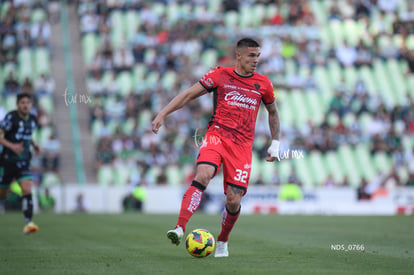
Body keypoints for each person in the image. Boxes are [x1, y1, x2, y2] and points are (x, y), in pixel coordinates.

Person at [152, 38, 280, 257]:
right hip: (216, 138)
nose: (256, 60)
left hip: (242, 148)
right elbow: (187, 95)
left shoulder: (263, 84)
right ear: (238, 55)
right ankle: (180, 227)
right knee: (202, 175)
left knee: (233, 199)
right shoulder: (220, 75)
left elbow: (273, 113)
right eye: (251, 55)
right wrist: (163, 113)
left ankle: (223, 240)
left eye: (258, 56)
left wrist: (275, 143)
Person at [0, 93, 40, 234]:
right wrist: (13, 146)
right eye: (22, 102)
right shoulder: (11, 117)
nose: (25, 105)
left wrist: (34, 145)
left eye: (28, 102)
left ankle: (28, 223)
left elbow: (28, 134)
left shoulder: (33, 120)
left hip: (23, 161)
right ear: (17, 104)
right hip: (7, 161)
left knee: (27, 189)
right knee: (3, 194)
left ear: (31, 105)